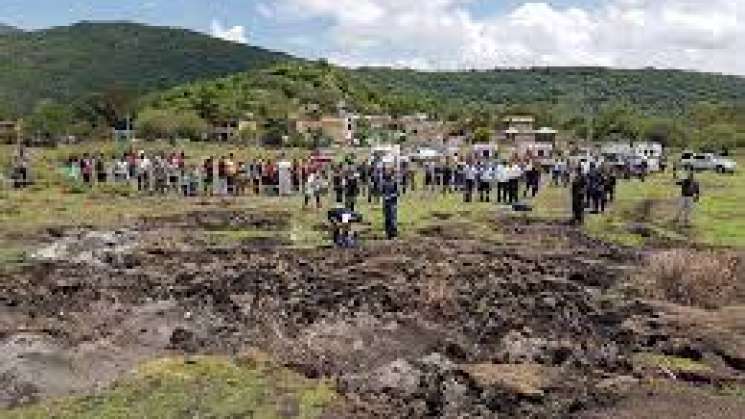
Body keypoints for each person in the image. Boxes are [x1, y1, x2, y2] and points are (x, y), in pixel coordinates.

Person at [382, 169, 399, 240]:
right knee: (387, 218)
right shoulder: (384, 183)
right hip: (386, 203)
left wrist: (391, 196)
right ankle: (388, 233)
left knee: (393, 219)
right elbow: (382, 192)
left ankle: (393, 234)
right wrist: (384, 196)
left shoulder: (394, 183)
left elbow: (397, 193)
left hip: (392, 203)